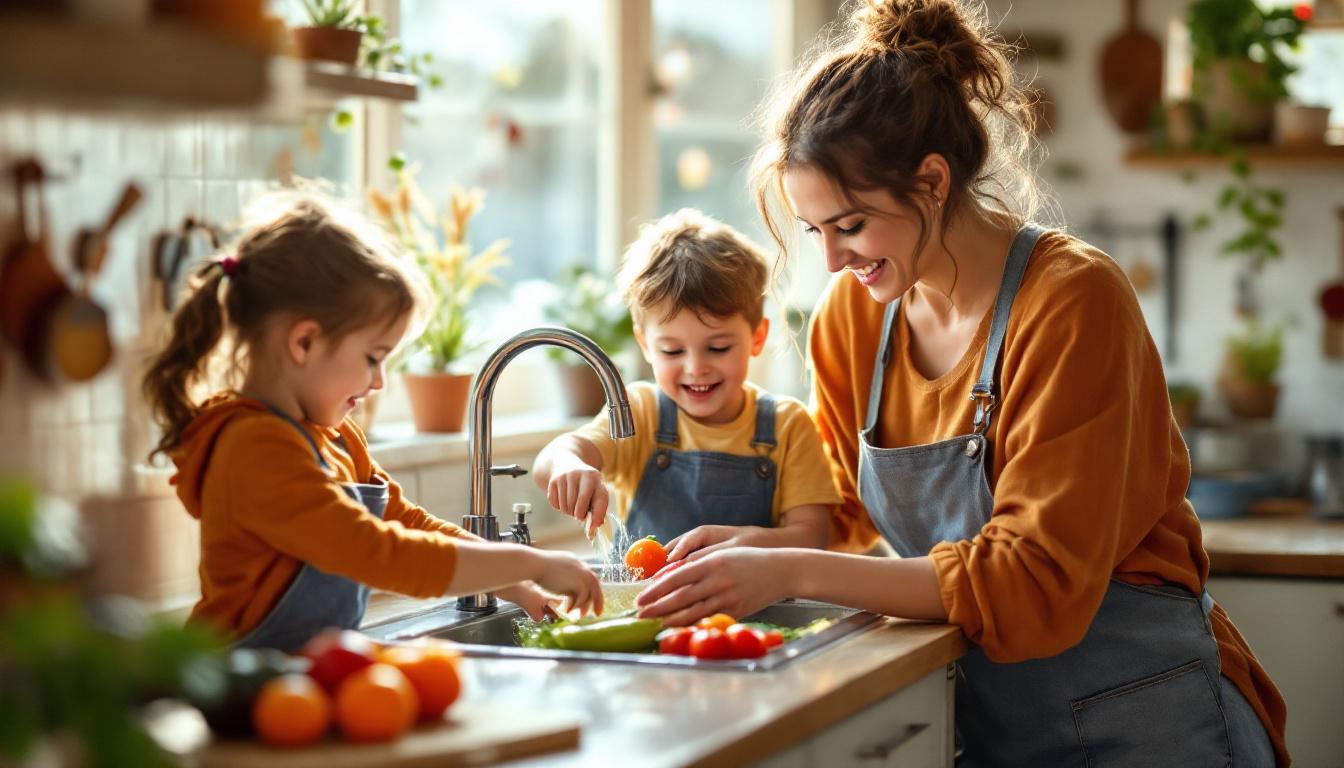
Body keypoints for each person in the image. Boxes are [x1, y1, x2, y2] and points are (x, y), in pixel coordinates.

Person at [635, 2, 1288, 765]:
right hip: (992, 718)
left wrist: (787, 568)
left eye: (850, 225)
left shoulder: (1073, 300)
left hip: (1143, 710)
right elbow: (843, 507)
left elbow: (1034, 577)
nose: (834, 261)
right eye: (816, 232)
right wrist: (757, 544)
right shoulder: (855, 315)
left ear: (933, 181)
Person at [144, 194, 600, 653]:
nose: (380, 382)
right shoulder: (254, 447)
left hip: (296, 678)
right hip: (239, 682)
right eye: (372, 358)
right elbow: (379, 552)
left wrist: (516, 583)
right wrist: (528, 564)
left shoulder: (336, 436)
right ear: (304, 342)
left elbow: (408, 524)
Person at [533, 209, 842, 562]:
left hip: (750, 615)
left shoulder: (788, 425)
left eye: (718, 348)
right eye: (673, 350)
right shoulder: (639, 411)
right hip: (646, 610)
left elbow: (814, 537)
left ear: (757, 338)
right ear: (646, 345)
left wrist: (740, 542)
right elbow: (554, 457)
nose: (696, 368)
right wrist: (568, 464)